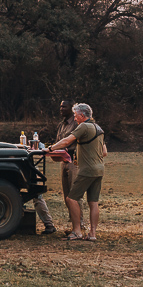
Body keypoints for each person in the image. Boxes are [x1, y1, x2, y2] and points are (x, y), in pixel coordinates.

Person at [49, 103, 107, 241]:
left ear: (82, 115)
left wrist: (50, 148)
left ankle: (77, 231)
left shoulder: (84, 126)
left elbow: (67, 141)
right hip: (99, 169)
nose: (75, 119)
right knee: (93, 202)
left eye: (76, 116)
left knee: (71, 198)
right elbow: (104, 152)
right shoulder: (98, 128)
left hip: (87, 170)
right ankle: (92, 234)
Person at [54, 100, 86, 233]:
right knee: (67, 195)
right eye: (60, 106)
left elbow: (70, 141)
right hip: (63, 161)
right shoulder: (62, 125)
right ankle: (74, 224)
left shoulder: (77, 123)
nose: (61, 109)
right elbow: (59, 142)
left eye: (64, 107)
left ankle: (81, 224)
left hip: (74, 161)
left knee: (75, 194)